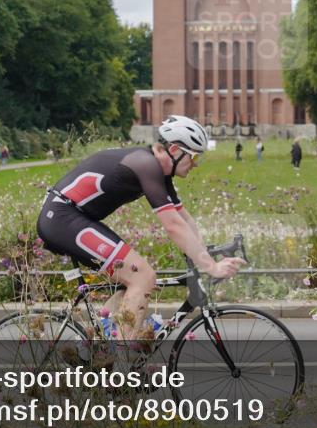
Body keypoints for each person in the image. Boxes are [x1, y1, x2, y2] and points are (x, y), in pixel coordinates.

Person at [36, 115, 245, 341]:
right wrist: (211, 267)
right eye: (193, 157)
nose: (196, 164)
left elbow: (184, 220)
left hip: (74, 218)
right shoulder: (146, 164)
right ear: (174, 149)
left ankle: (98, 346)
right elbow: (173, 227)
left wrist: (203, 253)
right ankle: (121, 367)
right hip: (62, 218)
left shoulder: (159, 171)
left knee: (135, 279)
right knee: (142, 276)